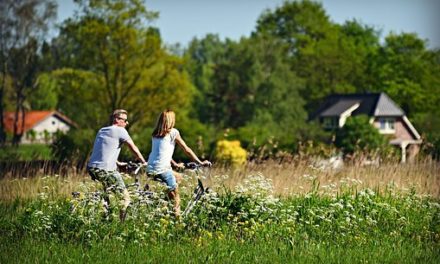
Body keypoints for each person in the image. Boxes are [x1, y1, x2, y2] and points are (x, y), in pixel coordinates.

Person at [147, 110, 211, 217]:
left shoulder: (155, 134)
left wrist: (175, 164)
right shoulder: (173, 132)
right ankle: (178, 222)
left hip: (150, 168)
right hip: (162, 170)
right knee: (176, 197)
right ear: (171, 120)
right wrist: (200, 162)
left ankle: (165, 202)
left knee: (179, 177)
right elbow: (186, 149)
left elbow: (161, 152)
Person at [87, 109, 147, 221]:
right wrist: (143, 162)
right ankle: (121, 226)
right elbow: (133, 147)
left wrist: (118, 162)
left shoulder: (102, 130)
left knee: (107, 194)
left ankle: (105, 218)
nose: (127, 123)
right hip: (106, 170)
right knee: (125, 198)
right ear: (116, 120)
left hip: (92, 167)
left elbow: (104, 150)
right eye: (125, 120)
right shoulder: (120, 130)